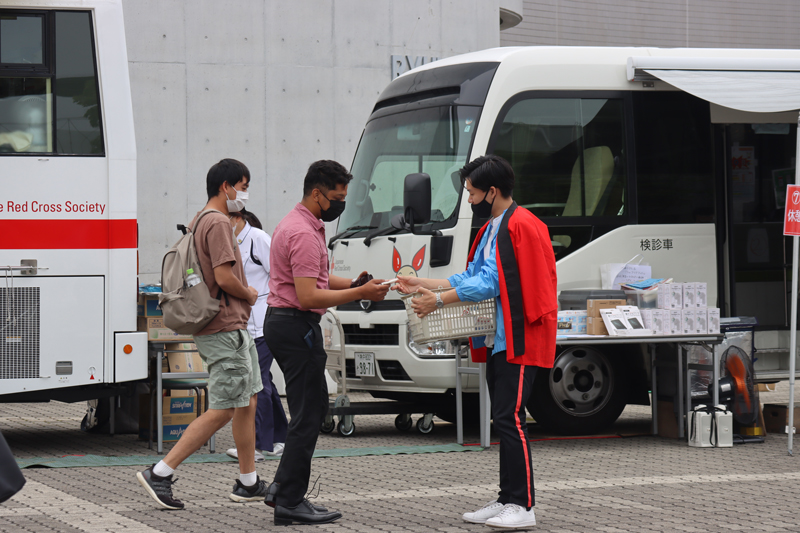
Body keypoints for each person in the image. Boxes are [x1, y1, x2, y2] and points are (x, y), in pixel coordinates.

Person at [393, 155, 557, 530]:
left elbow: (493, 283)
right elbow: (470, 276)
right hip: (501, 338)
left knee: (509, 418)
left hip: (521, 336)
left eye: (470, 192)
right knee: (504, 418)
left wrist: (437, 299)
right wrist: (422, 284)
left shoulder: (519, 225)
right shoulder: (496, 227)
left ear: (492, 192)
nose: (468, 199)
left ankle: (523, 505)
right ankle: (507, 499)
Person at [263, 160, 389, 526]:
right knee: (308, 413)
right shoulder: (302, 232)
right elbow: (307, 295)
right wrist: (361, 294)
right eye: (336, 196)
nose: (340, 203)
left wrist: (353, 284)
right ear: (316, 192)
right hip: (295, 323)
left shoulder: (303, 224)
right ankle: (289, 500)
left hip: (289, 324)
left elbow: (317, 278)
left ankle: (282, 489)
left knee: (313, 407)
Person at [136, 158, 265, 510]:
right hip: (224, 326)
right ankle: (160, 472)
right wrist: (250, 293)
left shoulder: (199, 220)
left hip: (227, 326)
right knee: (225, 406)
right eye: (243, 185)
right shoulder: (219, 222)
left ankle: (248, 481)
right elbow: (224, 278)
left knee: (247, 400)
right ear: (226, 187)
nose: (245, 193)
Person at [225, 208, 288, 463]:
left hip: (263, 323)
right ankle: (280, 437)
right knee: (264, 382)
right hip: (246, 324)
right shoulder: (231, 242)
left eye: (226, 218)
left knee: (256, 382)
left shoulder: (259, 238)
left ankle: (261, 446)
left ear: (238, 218)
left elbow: (280, 275)